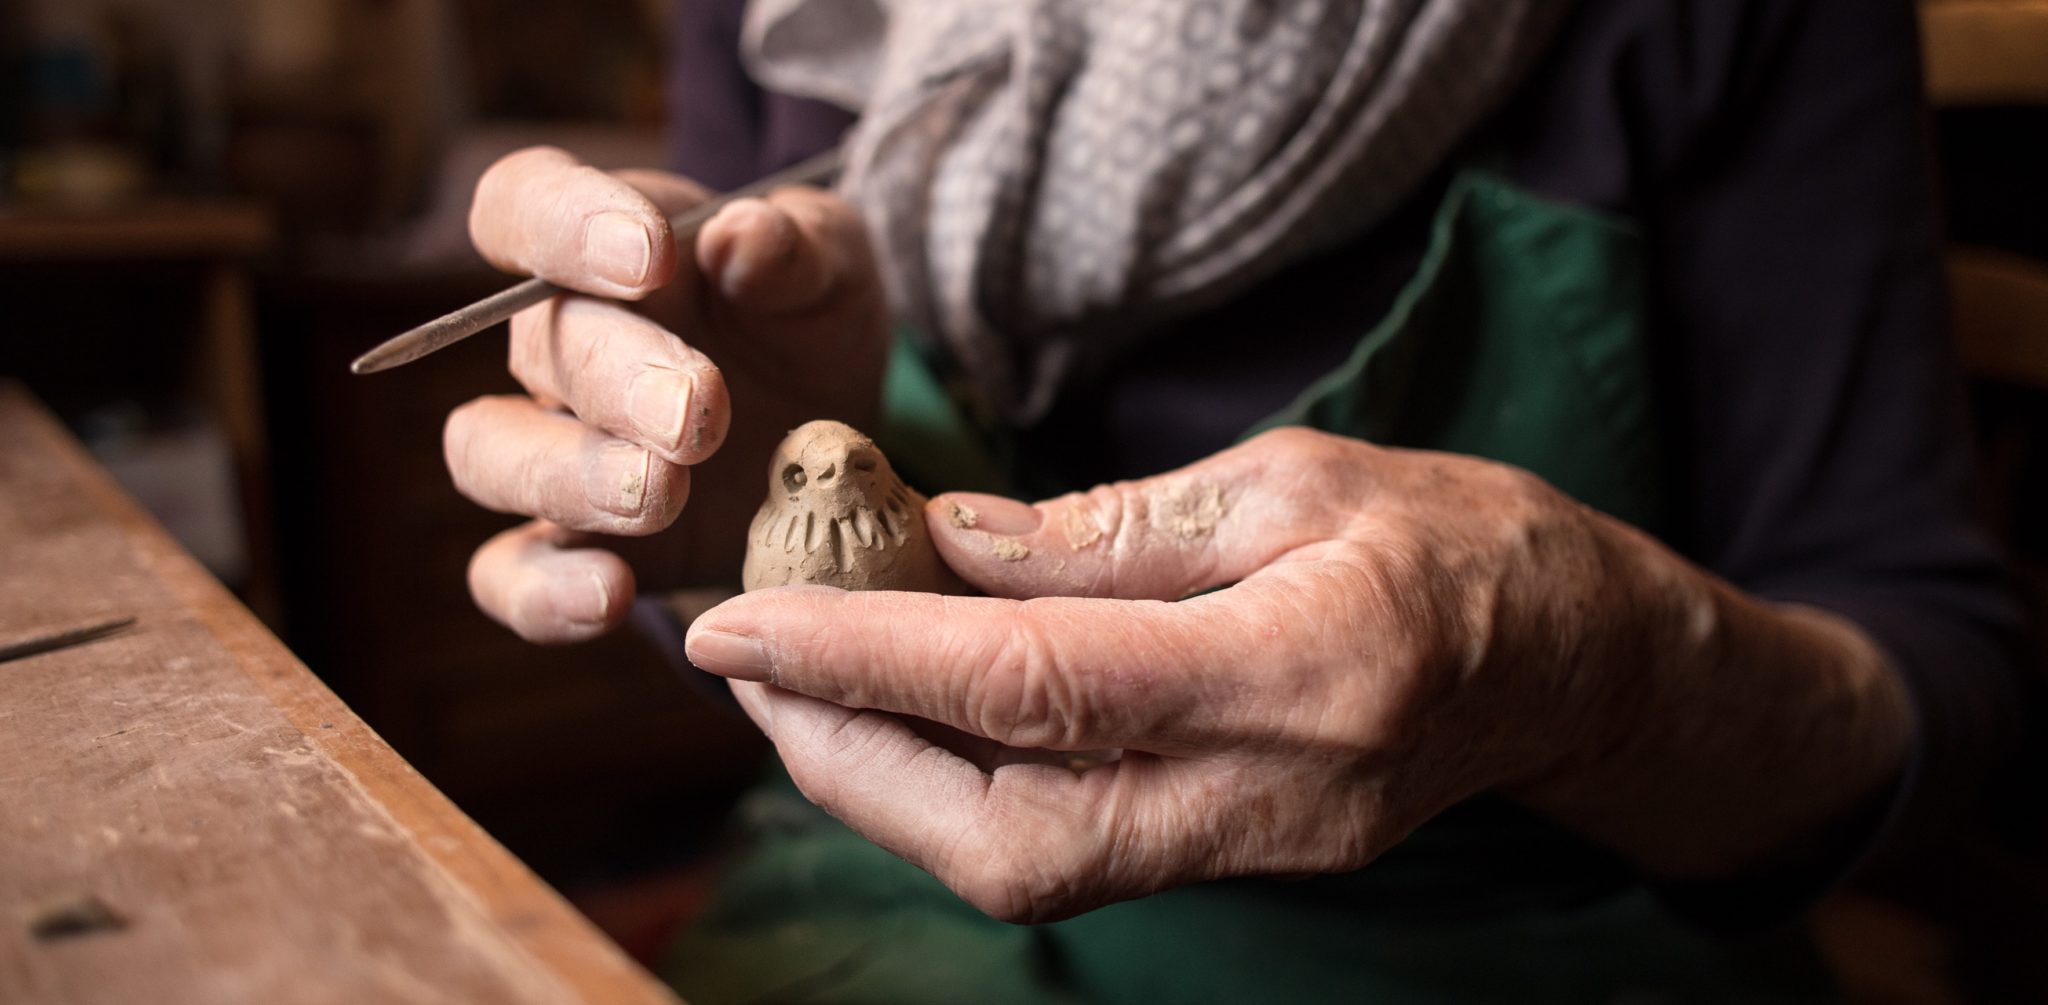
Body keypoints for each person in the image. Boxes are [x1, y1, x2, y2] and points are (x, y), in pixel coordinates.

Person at [441, 0, 2030, 999]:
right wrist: (680, 514)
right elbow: (733, 590)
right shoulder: (795, 23)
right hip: (864, 918)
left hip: (1507, 954)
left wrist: (1606, 669)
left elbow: (1937, 677)